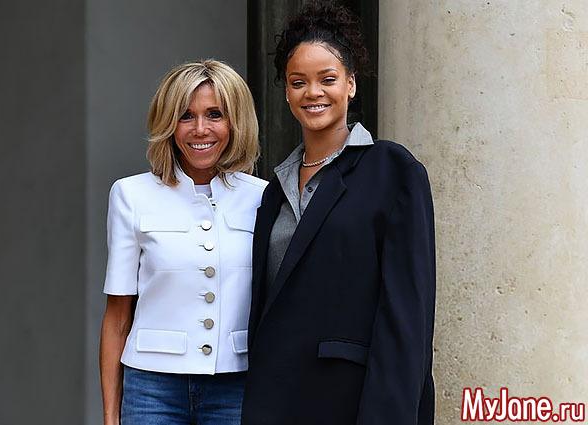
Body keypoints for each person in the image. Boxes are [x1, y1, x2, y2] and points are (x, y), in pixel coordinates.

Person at [241, 2, 436, 425]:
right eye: (298, 82)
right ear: (286, 91)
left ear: (350, 83)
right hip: (275, 404)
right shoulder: (274, 191)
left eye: (327, 79)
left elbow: (407, 317)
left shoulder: (393, 171)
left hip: (352, 403)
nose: (313, 92)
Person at [100, 59, 267, 425]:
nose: (200, 129)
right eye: (186, 116)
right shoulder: (130, 194)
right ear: (168, 123)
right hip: (152, 388)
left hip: (237, 384)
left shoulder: (263, 198)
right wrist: (111, 416)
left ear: (235, 121)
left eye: (215, 114)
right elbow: (117, 317)